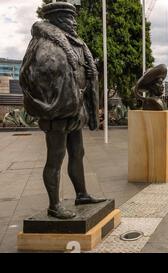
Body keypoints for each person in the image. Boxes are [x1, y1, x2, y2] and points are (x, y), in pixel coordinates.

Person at [20, 2, 106, 219]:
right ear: (57, 19)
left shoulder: (75, 43)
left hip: (74, 109)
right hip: (57, 109)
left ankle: (82, 194)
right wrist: (54, 92)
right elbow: (32, 73)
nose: (75, 22)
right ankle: (54, 204)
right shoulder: (43, 42)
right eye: (70, 18)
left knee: (78, 152)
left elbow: (78, 69)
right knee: (55, 157)